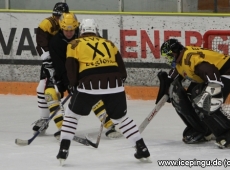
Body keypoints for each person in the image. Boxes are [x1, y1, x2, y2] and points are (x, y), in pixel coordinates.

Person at [56, 18, 151, 164]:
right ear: (96, 30)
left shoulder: (74, 44)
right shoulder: (109, 43)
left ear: (81, 31)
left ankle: (63, 151)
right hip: (115, 83)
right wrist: (117, 83)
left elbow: (71, 66)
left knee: (72, 116)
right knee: (121, 119)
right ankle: (142, 148)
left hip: (89, 84)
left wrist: (72, 85)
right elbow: (121, 67)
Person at [33, 3, 121, 139]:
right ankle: (62, 128)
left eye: (72, 30)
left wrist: (78, 81)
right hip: (59, 72)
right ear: (61, 27)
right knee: (49, 93)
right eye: (66, 30)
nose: (69, 33)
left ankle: (109, 124)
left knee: (91, 93)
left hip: (79, 73)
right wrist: (68, 83)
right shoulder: (55, 41)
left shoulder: (81, 39)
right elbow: (60, 66)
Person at [158, 38, 230, 148]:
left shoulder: (190, 59)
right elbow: (175, 72)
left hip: (224, 74)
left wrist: (213, 88)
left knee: (206, 103)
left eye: (168, 56)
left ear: (175, 52)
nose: (168, 59)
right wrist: (167, 82)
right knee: (186, 98)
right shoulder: (181, 58)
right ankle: (202, 129)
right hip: (209, 77)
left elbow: (210, 70)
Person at [33, 2, 69, 136]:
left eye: (59, 16)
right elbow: (41, 43)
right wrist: (48, 59)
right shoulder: (46, 24)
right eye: (55, 15)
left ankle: (69, 123)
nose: (56, 18)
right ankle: (44, 119)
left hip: (66, 62)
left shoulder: (70, 24)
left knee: (63, 90)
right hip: (51, 62)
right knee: (42, 88)